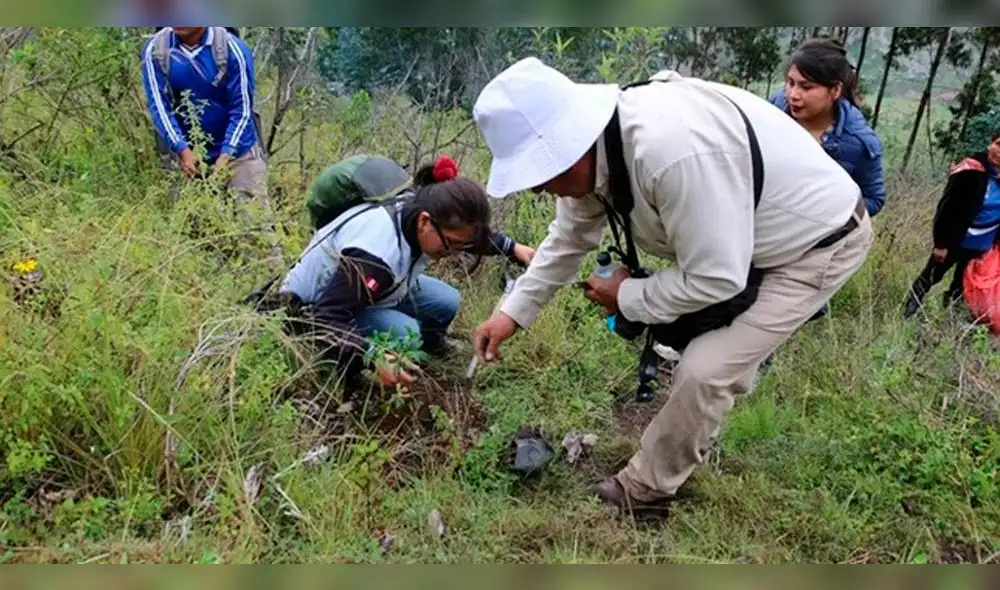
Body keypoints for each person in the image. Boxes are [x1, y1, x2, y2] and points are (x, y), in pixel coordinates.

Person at [470, 57, 873, 509]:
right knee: (700, 347)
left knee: (706, 369)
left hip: (817, 242)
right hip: (745, 239)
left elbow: (716, 276)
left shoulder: (672, 154)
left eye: (541, 179)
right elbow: (570, 236)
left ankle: (646, 489)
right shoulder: (601, 147)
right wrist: (512, 313)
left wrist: (624, 295)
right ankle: (691, 433)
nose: (545, 191)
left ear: (570, 147)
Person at [279, 156, 535, 389]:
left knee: (447, 300)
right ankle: (351, 373)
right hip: (317, 307)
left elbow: (468, 236)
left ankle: (429, 349)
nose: (456, 253)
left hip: (375, 289)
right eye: (451, 245)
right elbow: (326, 317)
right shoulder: (376, 254)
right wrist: (372, 356)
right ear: (424, 222)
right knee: (405, 334)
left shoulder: (422, 209)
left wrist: (512, 248)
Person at [769, 37, 886, 324]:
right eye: (790, 83)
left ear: (835, 90)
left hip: (803, 248)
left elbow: (874, 199)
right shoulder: (774, 109)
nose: (793, 95)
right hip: (761, 227)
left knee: (771, 314)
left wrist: (823, 213)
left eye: (806, 87)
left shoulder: (858, 144)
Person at [140, 27, 268, 206]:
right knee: (190, 218)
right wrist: (182, 149)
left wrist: (227, 154)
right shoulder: (156, 50)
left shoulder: (232, 49)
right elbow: (160, 108)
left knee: (252, 218)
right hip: (186, 155)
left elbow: (242, 109)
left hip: (239, 152)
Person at [903, 131, 1000, 319]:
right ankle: (908, 311)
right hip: (955, 241)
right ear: (990, 144)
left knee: (963, 284)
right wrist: (941, 244)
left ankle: (951, 319)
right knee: (931, 276)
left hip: (982, 246)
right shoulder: (970, 171)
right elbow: (946, 210)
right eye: (998, 144)